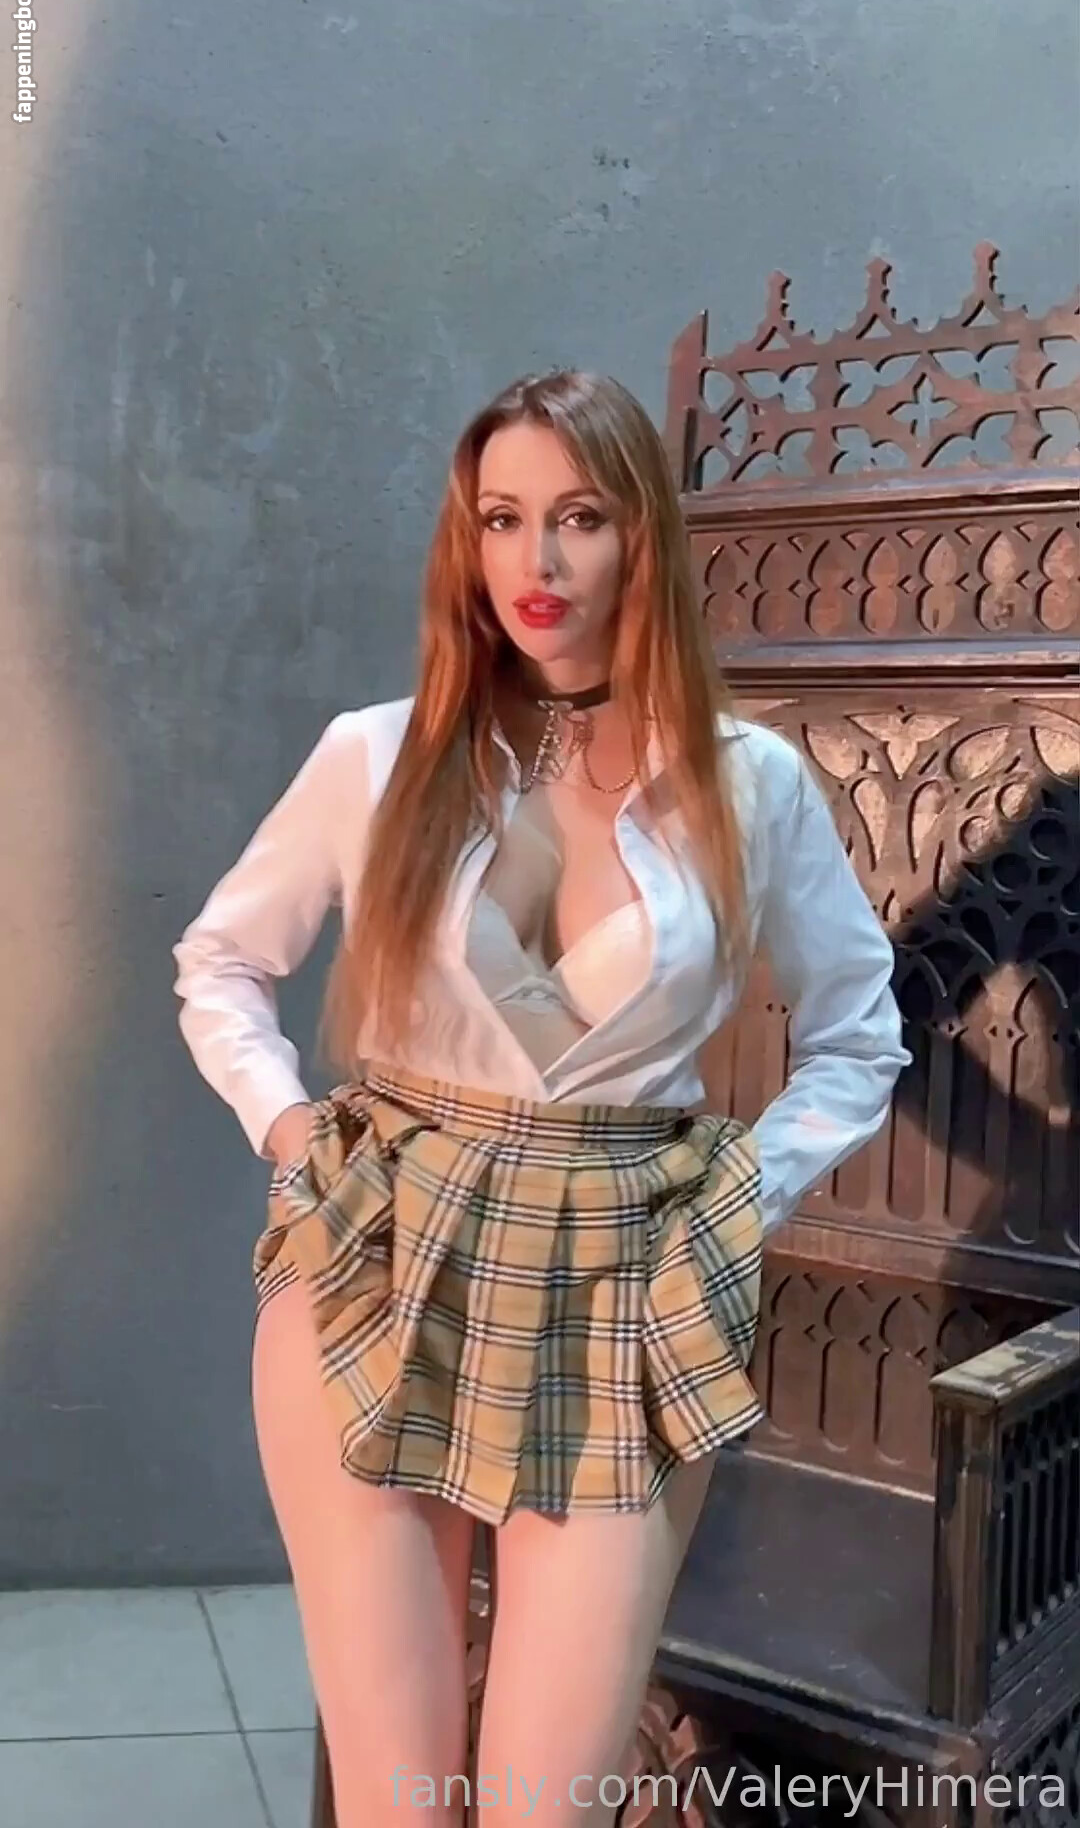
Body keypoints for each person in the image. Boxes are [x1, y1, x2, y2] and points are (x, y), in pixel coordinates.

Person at [171, 370, 910, 1828]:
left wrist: (739, 1199)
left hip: (626, 1283)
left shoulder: (748, 783)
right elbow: (220, 963)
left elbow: (858, 1036)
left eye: (578, 517)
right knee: (394, 1800)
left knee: (540, 1805)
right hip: (377, 1256)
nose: (538, 561)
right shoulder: (379, 754)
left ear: (643, 536)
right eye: (501, 519)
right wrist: (291, 1125)